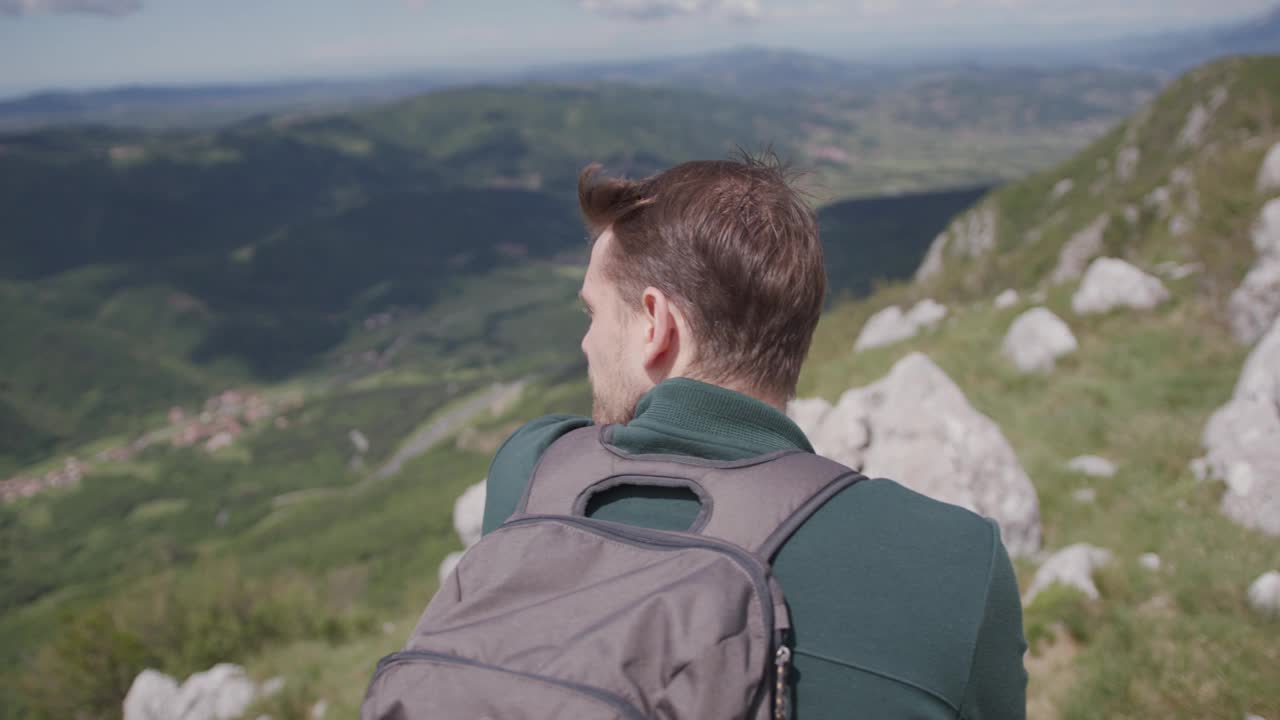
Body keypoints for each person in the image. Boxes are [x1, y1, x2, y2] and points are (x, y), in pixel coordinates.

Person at [480, 155, 1028, 718]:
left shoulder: (530, 476)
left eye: (593, 314)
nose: (586, 345)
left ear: (655, 323)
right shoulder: (959, 565)